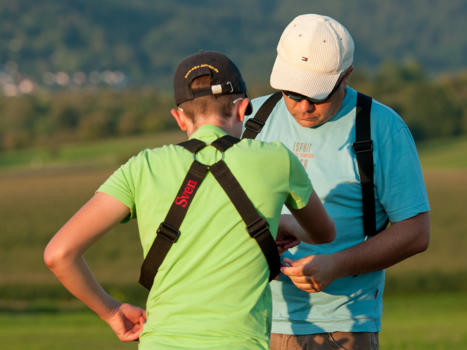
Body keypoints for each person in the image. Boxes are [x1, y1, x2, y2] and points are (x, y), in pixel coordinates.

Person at [43, 50, 336, 350]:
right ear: (243, 108)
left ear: (179, 117)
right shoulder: (277, 160)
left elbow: (59, 254)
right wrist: (281, 224)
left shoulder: (143, 166)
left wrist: (112, 311)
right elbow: (324, 233)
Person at [241, 14, 431, 350]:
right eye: (291, 92)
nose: (302, 106)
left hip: (341, 326)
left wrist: (336, 266)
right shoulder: (248, 120)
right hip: (244, 321)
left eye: (316, 95)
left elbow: (415, 232)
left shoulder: (382, 128)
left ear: (346, 76)